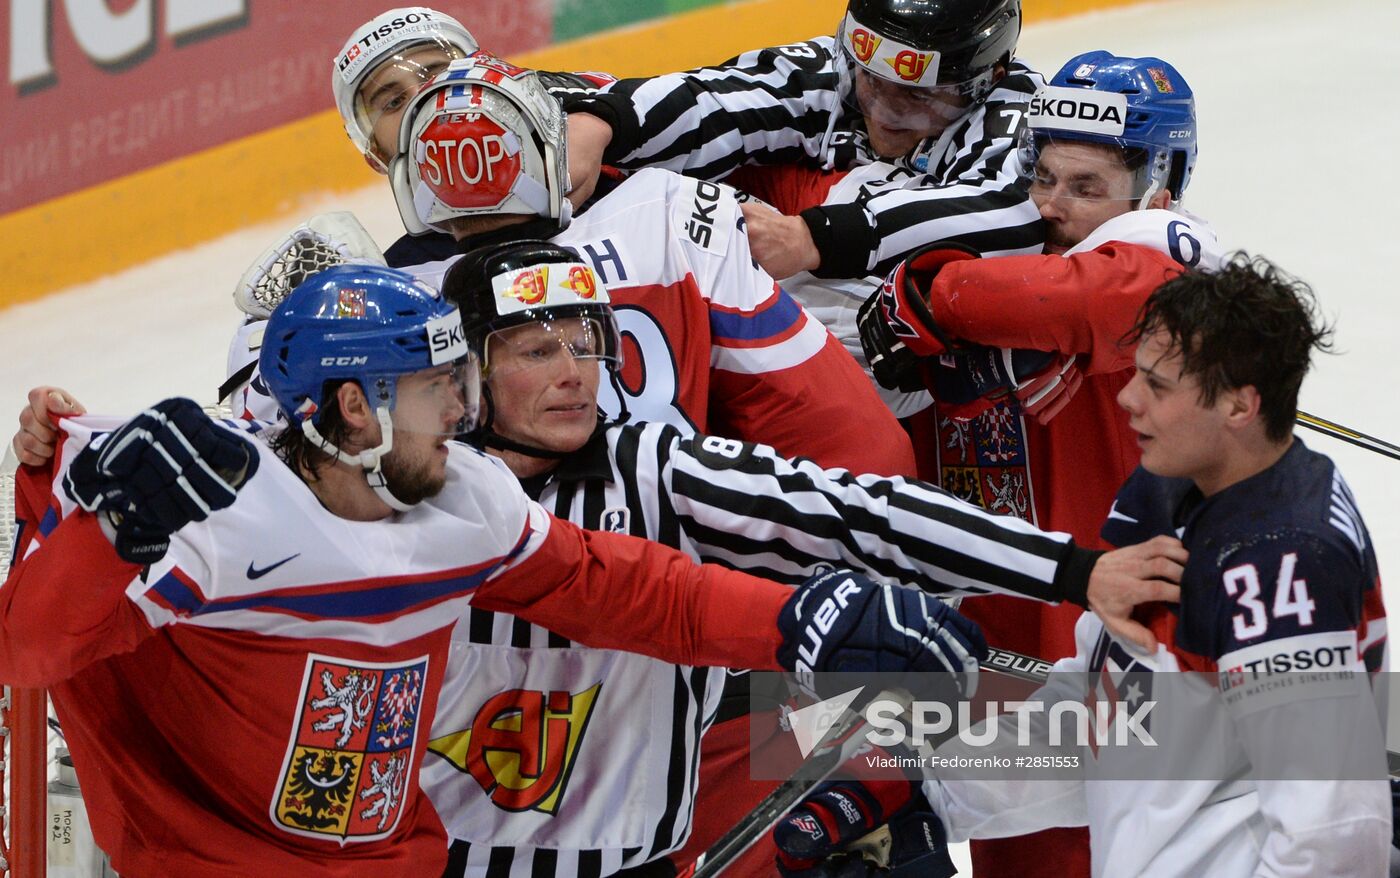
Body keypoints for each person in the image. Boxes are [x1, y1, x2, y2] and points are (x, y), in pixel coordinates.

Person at [0, 265, 980, 877]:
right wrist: (105, 529)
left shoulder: (459, 504)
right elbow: (30, 649)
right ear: (355, 408)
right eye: (437, 387)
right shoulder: (208, 527)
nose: (461, 413)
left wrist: (793, 620)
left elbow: (625, 589)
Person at [418, 240, 1185, 877]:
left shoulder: (653, 468)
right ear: (469, 371)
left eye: (587, 342)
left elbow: (861, 512)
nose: (573, 371)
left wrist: (1074, 571)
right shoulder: (406, 506)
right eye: (537, 349)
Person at [777, 255, 1392, 876]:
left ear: (1239, 405)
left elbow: (1334, 837)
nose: (1128, 397)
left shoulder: (1282, 570)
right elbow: (1112, 720)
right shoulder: (1171, 491)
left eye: (1157, 385)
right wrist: (929, 796)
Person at [849, 51, 1226, 876]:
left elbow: (1098, 297)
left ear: (1158, 189)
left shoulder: (1166, 257)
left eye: (1086, 187)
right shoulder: (1007, 254)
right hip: (993, 650)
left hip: (1118, 656)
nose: (1052, 205)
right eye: (1044, 177)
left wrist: (931, 293)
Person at [564, 0, 1042, 282]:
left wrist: (813, 237)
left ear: (991, 78)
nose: (884, 111)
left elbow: (1006, 208)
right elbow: (719, 97)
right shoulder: (836, 68)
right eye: (870, 81)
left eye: (917, 96)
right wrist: (602, 124)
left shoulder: (1024, 111)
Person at [329, 6, 615, 268]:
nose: (422, 102)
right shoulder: (401, 277)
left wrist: (608, 120)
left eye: (439, 76)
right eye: (394, 102)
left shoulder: (614, 164)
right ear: (378, 156)